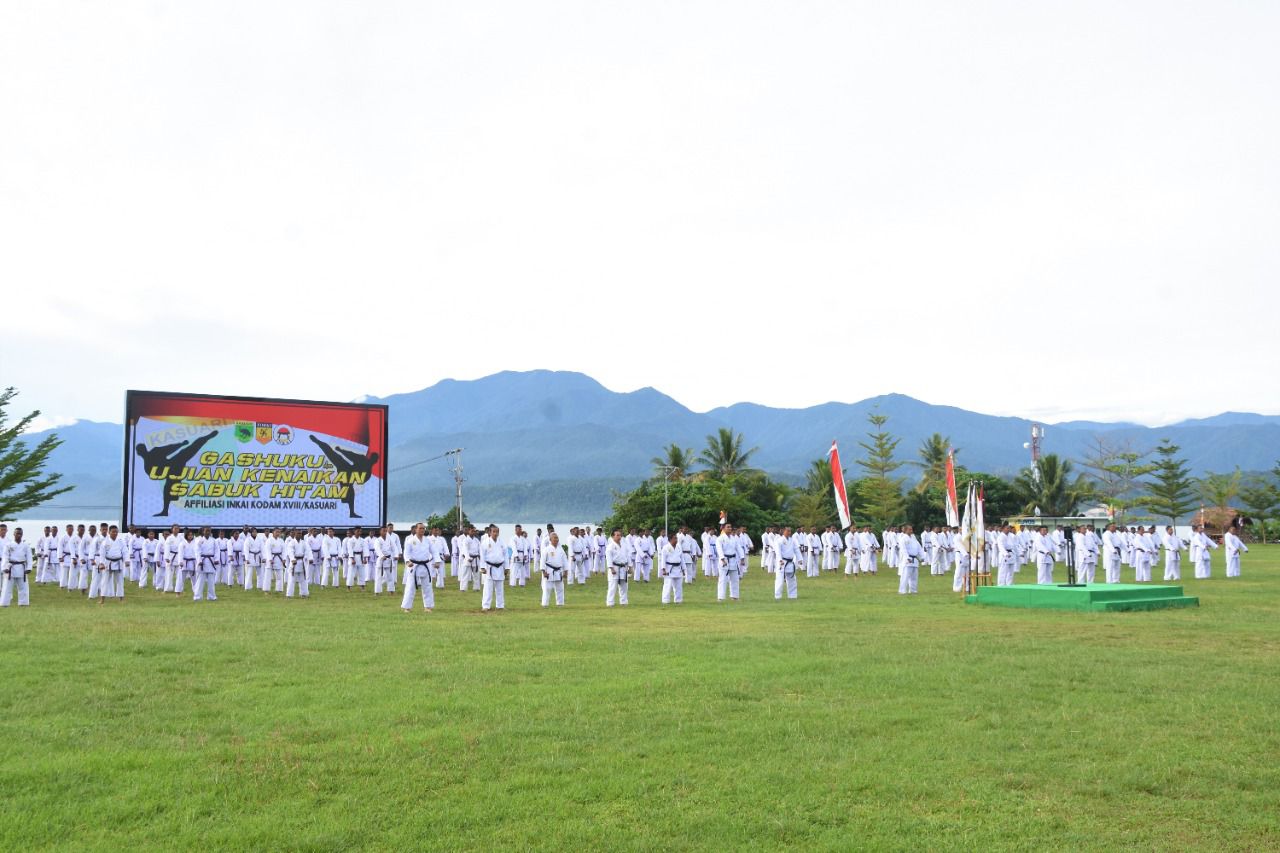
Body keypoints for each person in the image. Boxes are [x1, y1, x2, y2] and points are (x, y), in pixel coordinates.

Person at [401, 523, 435, 613]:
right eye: (420, 528)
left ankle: (428, 606)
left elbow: (434, 551)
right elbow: (406, 553)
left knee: (427, 587)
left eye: (423, 528)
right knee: (410, 587)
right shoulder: (410, 540)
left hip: (425, 565)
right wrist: (408, 561)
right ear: (416, 529)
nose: (422, 530)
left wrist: (437, 561)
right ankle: (407, 607)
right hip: (414, 565)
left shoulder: (427, 541)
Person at [1, 527, 33, 607]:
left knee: (23, 587)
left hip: (22, 568)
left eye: (20, 533)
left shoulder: (25, 545)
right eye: (17, 533)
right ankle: (4, 603)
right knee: (7, 587)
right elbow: (5, 556)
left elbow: (29, 557)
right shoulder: (8, 545)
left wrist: (29, 568)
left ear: (22, 534)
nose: (19, 535)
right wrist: (5, 567)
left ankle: (24, 603)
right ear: (14, 534)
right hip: (11, 568)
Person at [479, 524, 507, 611]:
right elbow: (482, 556)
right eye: (494, 531)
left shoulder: (502, 542)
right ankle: (486, 606)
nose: (495, 533)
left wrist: (507, 568)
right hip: (489, 567)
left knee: (500, 588)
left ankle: (500, 605)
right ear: (490, 532)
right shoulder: (485, 542)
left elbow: (505, 555)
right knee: (488, 588)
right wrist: (482, 567)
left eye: (497, 532)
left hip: (500, 567)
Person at [604, 528, 632, 607]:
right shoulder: (610, 546)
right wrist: (611, 568)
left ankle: (623, 602)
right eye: (617, 535)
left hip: (623, 567)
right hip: (615, 567)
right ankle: (610, 603)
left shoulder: (624, 545)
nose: (619, 537)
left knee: (624, 586)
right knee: (613, 586)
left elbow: (628, 556)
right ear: (613, 536)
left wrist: (630, 566)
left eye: (620, 535)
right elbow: (608, 558)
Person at [540, 531, 568, 607]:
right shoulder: (546, 549)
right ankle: (545, 604)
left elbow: (565, 560)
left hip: (558, 571)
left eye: (557, 538)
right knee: (547, 588)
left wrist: (566, 571)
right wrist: (543, 571)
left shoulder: (560, 550)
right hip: (549, 571)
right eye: (555, 538)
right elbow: (542, 561)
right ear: (550, 539)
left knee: (560, 588)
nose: (556, 539)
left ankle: (560, 603)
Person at [717, 524, 744, 602]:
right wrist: (722, 559)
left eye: (730, 527)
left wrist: (742, 558)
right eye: (728, 527)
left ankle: (735, 596)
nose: (730, 528)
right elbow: (719, 549)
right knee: (723, 579)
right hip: (725, 560)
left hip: (733, 560)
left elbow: (739, 548)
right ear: (723, 529)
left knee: (735, 579)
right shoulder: (720, 538)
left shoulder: (734, 538)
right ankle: (721, 597)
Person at [774, 526, 800, 600]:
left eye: (790, 531)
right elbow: (778, 551)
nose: (789, 533)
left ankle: (792, 595)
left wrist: (800, 559)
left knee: (792, 579)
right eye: (787, 531)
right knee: (780, 579)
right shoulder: (779, 540)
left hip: (790, 562)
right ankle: (777, 596)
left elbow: (796, 549)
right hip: (782, 562)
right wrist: (780, 560)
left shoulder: (792, 540)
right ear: (783, 531)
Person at [195, 527, 220, 601]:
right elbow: (197, 551)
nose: (208, 532)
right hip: (203, 561)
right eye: (206, 531)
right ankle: (197, 597)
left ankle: (211, 596)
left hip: (211, 561)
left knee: (211, 581)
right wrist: (199, 560)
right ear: (203, 532)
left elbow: (217, 551)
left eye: (209, 531)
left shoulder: (214, 540)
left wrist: (216, 559)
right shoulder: (199, 540)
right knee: (200, 580)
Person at [659, 533, 684, 604]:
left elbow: (682, 559)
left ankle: (678, 600)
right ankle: (665, 600)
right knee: (668, 585)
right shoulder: (665, 547)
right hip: (669, 569)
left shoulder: (679, 547)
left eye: (676, 538)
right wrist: (663, 569)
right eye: (675, 538)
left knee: (679, 586)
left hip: (678, 568)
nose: (676, 540)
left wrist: (683, 569)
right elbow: (663, 559)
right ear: (670, 540)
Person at [897, 525, 922, 594]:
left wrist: (922, 557)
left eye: (911, 529)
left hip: (915, 559)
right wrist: (907, 558)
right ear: (905, 530)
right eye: (909, 529)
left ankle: (913, 590)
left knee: (914, 577)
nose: (911, 531)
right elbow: (903, 549)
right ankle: (902, 591)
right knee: (905, 576)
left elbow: (919, 548)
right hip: (908, 559)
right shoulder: (903, 538)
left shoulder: (913, 538)